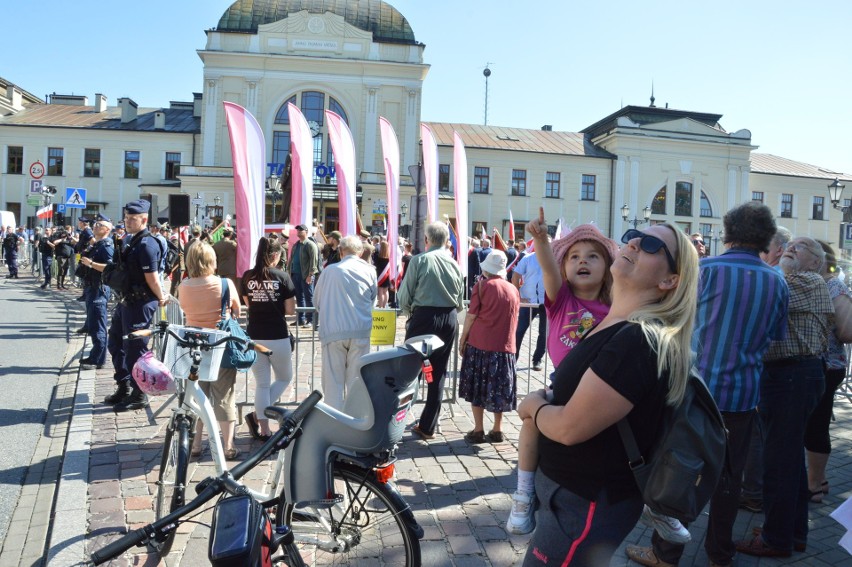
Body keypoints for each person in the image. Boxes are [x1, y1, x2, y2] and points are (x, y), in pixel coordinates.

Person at [518, 223, 698, 566]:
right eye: (632, 235)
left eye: (649, 245)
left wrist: (534, 407)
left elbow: (571, 427)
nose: (632, 243)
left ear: (669, 280)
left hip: (583, 502)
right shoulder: (614, 322)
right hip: (568, 496)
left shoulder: (637, 340)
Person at [627, 202, 789, 567]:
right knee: (730, 480)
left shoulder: (706, 270)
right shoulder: (776, 280)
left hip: (694, 390)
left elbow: (672, 317)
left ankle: (665, 552)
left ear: (728, 231)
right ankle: (720, 553)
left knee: (678, 470)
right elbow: (775, 338)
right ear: (765, 237)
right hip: (744, 395)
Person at [507, 215, 619, 536]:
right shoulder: (561, 301)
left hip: (603, 389)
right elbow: (547, 270)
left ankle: (658, 500)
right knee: (530, 423)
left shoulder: (615, 306)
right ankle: (524, 494)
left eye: (593, 256)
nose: (582, 261)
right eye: (574, 256)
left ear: (608, 266)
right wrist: (542, 241)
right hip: (564, 387)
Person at [735, 236, 832, 559]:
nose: (792, 247)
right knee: (789, 461)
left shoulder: (807, 281)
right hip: (790, 376)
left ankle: (777, 539)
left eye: (802, 246)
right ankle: (793, 532)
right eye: (791, 244)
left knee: (778, 462)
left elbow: (760, 295)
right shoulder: (787, 277)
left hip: (792, 376)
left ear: (817, 262)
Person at [398, 221, 464, 440]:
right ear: (446, 241)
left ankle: (397, 421)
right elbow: (460, 299)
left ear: (426, 240)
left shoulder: (420, 260)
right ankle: (428, 426)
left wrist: (409, 313)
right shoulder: (454, 263)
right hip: (448, 318)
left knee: (410, 371)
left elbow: (405, 294)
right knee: (438, 372)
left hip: (424, 317)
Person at [180, 240, 242, 460]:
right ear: (212, 261)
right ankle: (227, 445)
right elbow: (237, 309)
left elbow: (185, 310)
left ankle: (196, 444)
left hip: (195, 346)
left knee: (198, 396)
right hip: (220, 345)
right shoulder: (224, 284)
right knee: (225, 396)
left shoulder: (183, 286)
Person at [105, 199, 167, 412]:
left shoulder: (147, 244)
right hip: (126, 301)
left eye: (133, 218)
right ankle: (124, 385)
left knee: (135, 350)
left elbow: (152, 279)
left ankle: (139, 393)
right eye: (126, 217)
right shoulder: (130, 240)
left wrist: (161, 297)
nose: (128, 221)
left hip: (140, 302)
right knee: (115, 343)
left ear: (144, 219)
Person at [805, 240, 850, 504]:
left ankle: (814, 484)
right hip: (815, 366)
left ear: (817, 260)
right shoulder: (816, 284)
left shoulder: (833, 285)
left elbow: (847, 331)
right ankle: (818, 480)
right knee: (813, 425)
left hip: (827, 366)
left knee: (816, 426)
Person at [458, 250, 519, 444]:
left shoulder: (482, 286)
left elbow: (471, 316)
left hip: (480, 344)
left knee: (478, 388)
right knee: (499, 389)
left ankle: (478, 430)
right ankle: (497, 429)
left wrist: (463, 338)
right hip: (505, 348)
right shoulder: (513, 290)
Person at [240, 237, 297, 439]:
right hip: (277, 334)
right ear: (274, 256)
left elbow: (248, 304)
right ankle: (257, 415)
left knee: (262, 385)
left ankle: (263, 427)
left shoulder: (247, 276)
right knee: (284, 378)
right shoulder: (282, 276)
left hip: (255, 335)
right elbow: (290, 311)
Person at [314, 235, 377, 410]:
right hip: (360, 330)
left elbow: (316, 301)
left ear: (341, 252)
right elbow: (372, 299)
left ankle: (334, 423)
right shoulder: (370, 270)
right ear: (361, 251)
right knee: (357, 380)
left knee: (333, 382)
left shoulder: (329, 271)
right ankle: (355, 419)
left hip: (333, 332)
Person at [77, 217, 115, 370]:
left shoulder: (106, 245)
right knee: (93, 323)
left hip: (99, 288)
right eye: (96, 224)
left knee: (98, 324)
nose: (96, 226)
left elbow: (110, 267)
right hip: (91, 287)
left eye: (100, 225)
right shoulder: (97, 244)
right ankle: (96, 356)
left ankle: (97, 359)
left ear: (107, 230)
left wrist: (91, 264)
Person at [512, 244, 547, 372]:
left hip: (546, 302)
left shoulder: (554, 259)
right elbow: (515, 276)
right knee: (519, 330)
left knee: (544, 333)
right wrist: (518, 296)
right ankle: (512, 360)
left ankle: (537, 359)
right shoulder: (528, 258)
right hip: (528, 301)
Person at [289, 224, 320, 328]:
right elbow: (292, 259)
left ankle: (310, 320)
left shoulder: (310, 245)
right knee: (299, 298)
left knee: (309, 297)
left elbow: (313, 262)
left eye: (301, 230)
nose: (298, 231)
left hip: (306, 275)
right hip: (295, 275)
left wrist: (310, 275)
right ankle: (300, 319)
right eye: (297, 230)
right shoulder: (296, 244)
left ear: (306, 232)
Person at [375, 240, 391, 308]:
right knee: (386, 291)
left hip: (380, 276)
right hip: (387, 276)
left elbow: (375, 265)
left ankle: (381, 307)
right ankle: (385, 305)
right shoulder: (390, 257)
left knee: (380, 292)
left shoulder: (378, 256)